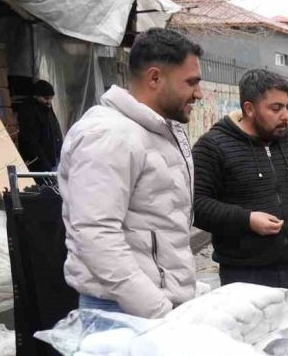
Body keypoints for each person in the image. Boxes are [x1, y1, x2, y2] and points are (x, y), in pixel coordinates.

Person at [58, 28, 203, 317]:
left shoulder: (159, 129)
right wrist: (157, 309)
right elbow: (96, 234)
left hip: (151, 308)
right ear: (154, 78)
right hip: (123, 314)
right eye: (191, 83)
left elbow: (160, 223)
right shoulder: (110, 135)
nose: (198, 93)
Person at [192, 69, 288, 322]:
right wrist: (247, 219)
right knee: (254, 354)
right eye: (275, 108)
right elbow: (197, 207)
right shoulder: (213, 147)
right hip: (244, 276)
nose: (285, 116)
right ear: (249, 108)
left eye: (287, 107)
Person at [16, 79, 63, 172]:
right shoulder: (29, 111)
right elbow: (32, 141)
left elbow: (54, 130)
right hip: (40, 162)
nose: (49, 102)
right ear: (36, 96)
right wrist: (45, 163)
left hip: (52, 158)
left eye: (50, 98)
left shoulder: (46, 108)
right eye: (46, 98)